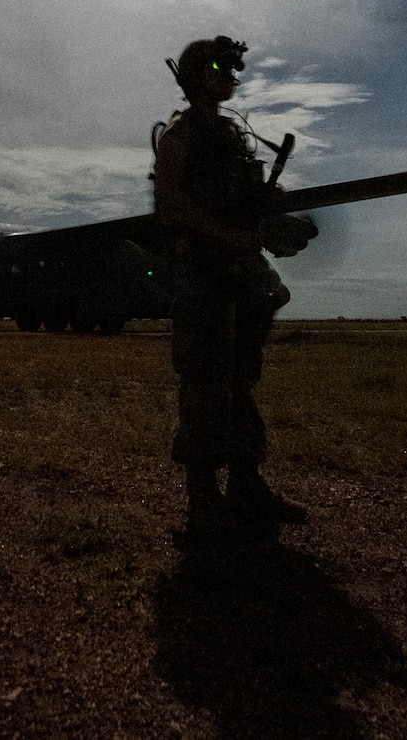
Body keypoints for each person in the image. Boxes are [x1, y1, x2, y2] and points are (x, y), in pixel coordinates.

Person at [152, 36, 309, 540]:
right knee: (204, 380)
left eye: (231, 68)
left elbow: (244, 200)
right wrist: (228, 236)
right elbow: (171, 205)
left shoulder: (233, 135)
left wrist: (273, 204)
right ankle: (203, 501)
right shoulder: (179, 135)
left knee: (241, 379)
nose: (227, 75)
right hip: (203, 273)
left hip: (242, 273)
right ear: (194, 73)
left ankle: (246, 485)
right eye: (217, 67)